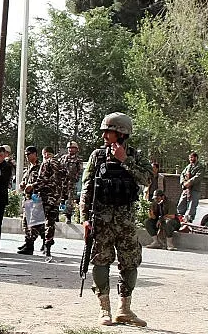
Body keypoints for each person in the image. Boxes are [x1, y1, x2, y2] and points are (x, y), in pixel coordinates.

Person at [81, 112, 151, 327]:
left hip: (126, 221)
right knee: (100, 261)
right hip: (101, 220)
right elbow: (87, 188)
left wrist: (125, 161)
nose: (104, 135)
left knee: (130, 262)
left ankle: (124, 309)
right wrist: (84, 219)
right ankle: (104, 310)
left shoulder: (136, 156)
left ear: (121, 134)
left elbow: (148, 179)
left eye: (108, 131)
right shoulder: (97, 156)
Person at [33, 146, 64, 259]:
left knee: (39, 221)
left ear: (45, 154)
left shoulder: (47, 163)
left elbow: (41, 180)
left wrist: (33, 188)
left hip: (46, 197)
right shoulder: (61, 164)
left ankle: (34, 243)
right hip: (56, 198)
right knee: (50, 222)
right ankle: (48, 246)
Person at [17, 146, 43, 255]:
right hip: (27, 198)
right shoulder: (29, 167)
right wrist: (23, 183)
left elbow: (43, 181)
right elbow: (25, 179)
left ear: (34, 154)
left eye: (28, 154)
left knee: (33, 224)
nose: (27, 157)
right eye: (26, 155)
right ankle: (28, 242)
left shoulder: (41, 167)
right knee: (26, 222)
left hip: (36, 198)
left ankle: (31, 246)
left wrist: (32, 186)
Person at [56, 140, 83, 224]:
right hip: (62, 182)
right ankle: (56, 216)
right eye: (69, 148)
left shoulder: (78, 159)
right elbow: (57, 167)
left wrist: (75, 178)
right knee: (58, 198)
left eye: (72, 148)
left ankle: (68, 217)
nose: (70, 150)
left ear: (76, 149)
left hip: (71, 183)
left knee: (70, 200)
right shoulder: (63, 158)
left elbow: (80, 171)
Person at [176, 151, 203, 223]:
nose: (190, 159)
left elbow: (198, 177)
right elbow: (182, 174)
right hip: (186, 189)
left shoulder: (200, 167)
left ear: (196, 158)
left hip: (195, 189)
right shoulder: (188, 167)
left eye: (192, 157)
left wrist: (189, 182)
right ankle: (179, 218)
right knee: (181, 203)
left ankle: (189, 220)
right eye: (190, 158)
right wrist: (183, 183)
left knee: (192, 206)